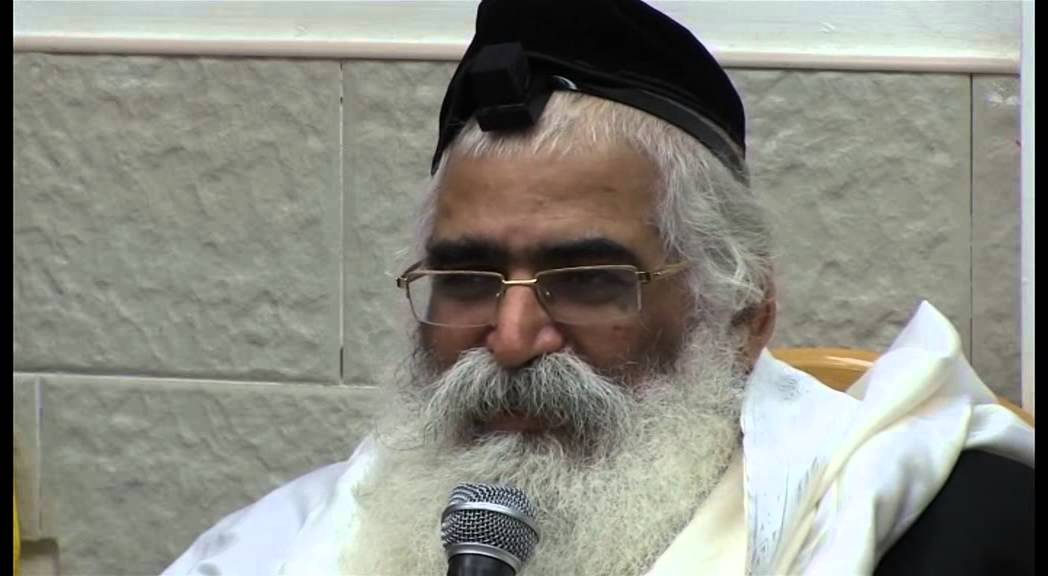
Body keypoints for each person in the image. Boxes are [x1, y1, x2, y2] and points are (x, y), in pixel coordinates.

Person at [163, 0, 1034, 574]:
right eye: (466, 279)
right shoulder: (282, 546)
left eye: (587, 281)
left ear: (741, 316)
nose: (511, 338)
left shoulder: (945, 538)